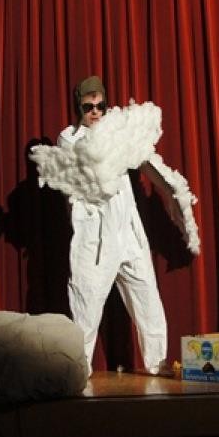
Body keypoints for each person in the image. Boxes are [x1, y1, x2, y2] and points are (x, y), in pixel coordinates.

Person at [56, 75, 170, 375]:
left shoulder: (117, 134)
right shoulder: (69, 138)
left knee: (148, 299)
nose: (95, 112)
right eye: (88, 107)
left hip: (128, 230)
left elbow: (147, 160)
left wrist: (173, 195)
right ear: (79, 108)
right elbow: (92, 159)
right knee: (87, 304)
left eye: (100, 106)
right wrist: (121, 133)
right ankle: (77, 371)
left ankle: (157, 364)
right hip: (94, 237)